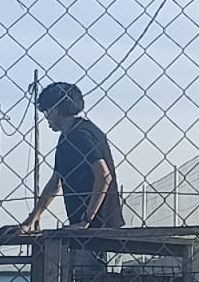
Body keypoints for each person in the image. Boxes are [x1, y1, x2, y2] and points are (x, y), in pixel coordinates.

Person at [17, 81, 124, 236]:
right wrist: (30, 221)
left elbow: (104, 176)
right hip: (82, 226)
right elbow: (55, 183)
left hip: (99, 229)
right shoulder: (66, 137)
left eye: (46, 112)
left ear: (55, 109)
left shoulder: (80, 135)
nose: (46, 118)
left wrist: (86, 221)